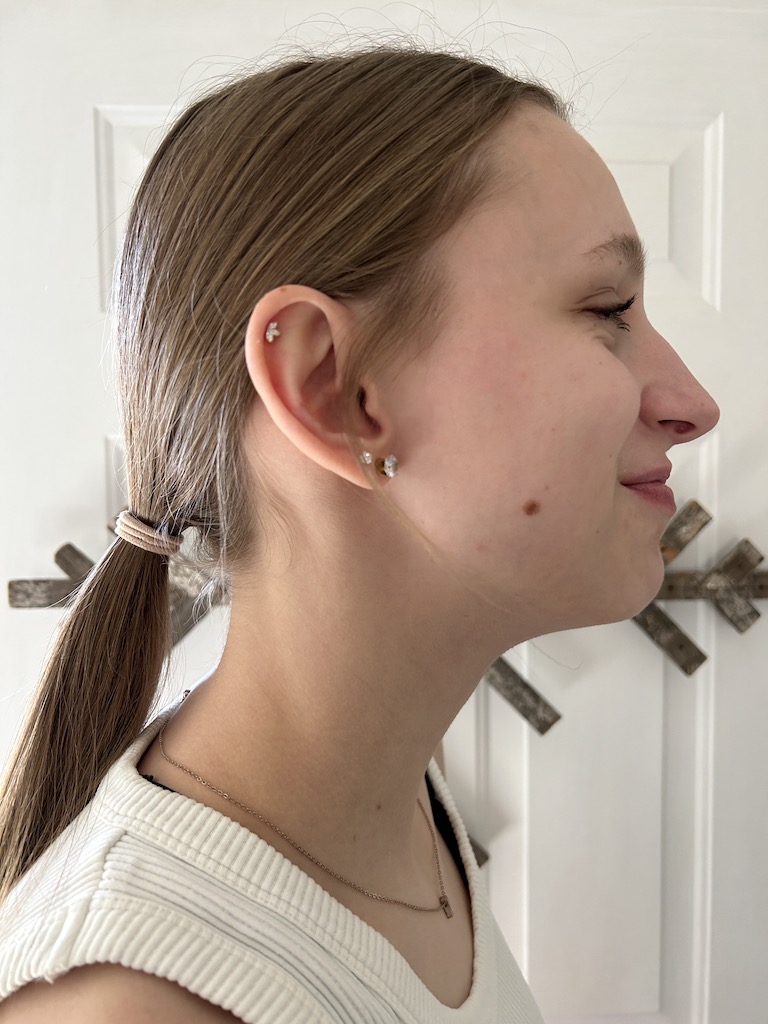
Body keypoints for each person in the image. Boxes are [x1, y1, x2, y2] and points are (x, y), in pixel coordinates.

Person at [0, 45, 719, 1023]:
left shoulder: (391, 800)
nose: (692, 403)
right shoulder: (134, 1004)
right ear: (335, 391)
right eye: (608, 310)